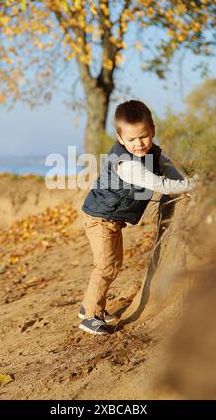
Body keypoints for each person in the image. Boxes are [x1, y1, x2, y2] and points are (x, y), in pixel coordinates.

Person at [79, 100, 196, 335]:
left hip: (110, 219)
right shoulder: (126, 163)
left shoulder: (151, 152)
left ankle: (88, 307)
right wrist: (191, 185)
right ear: (120, 138)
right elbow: (158, 183)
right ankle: (90, 316)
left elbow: (165, 166)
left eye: (143, 136)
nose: (138, 144)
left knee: (113, 264)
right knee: (106, 266)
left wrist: (183, 181)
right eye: (131, 140)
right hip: (101, 219)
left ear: (152, 130)